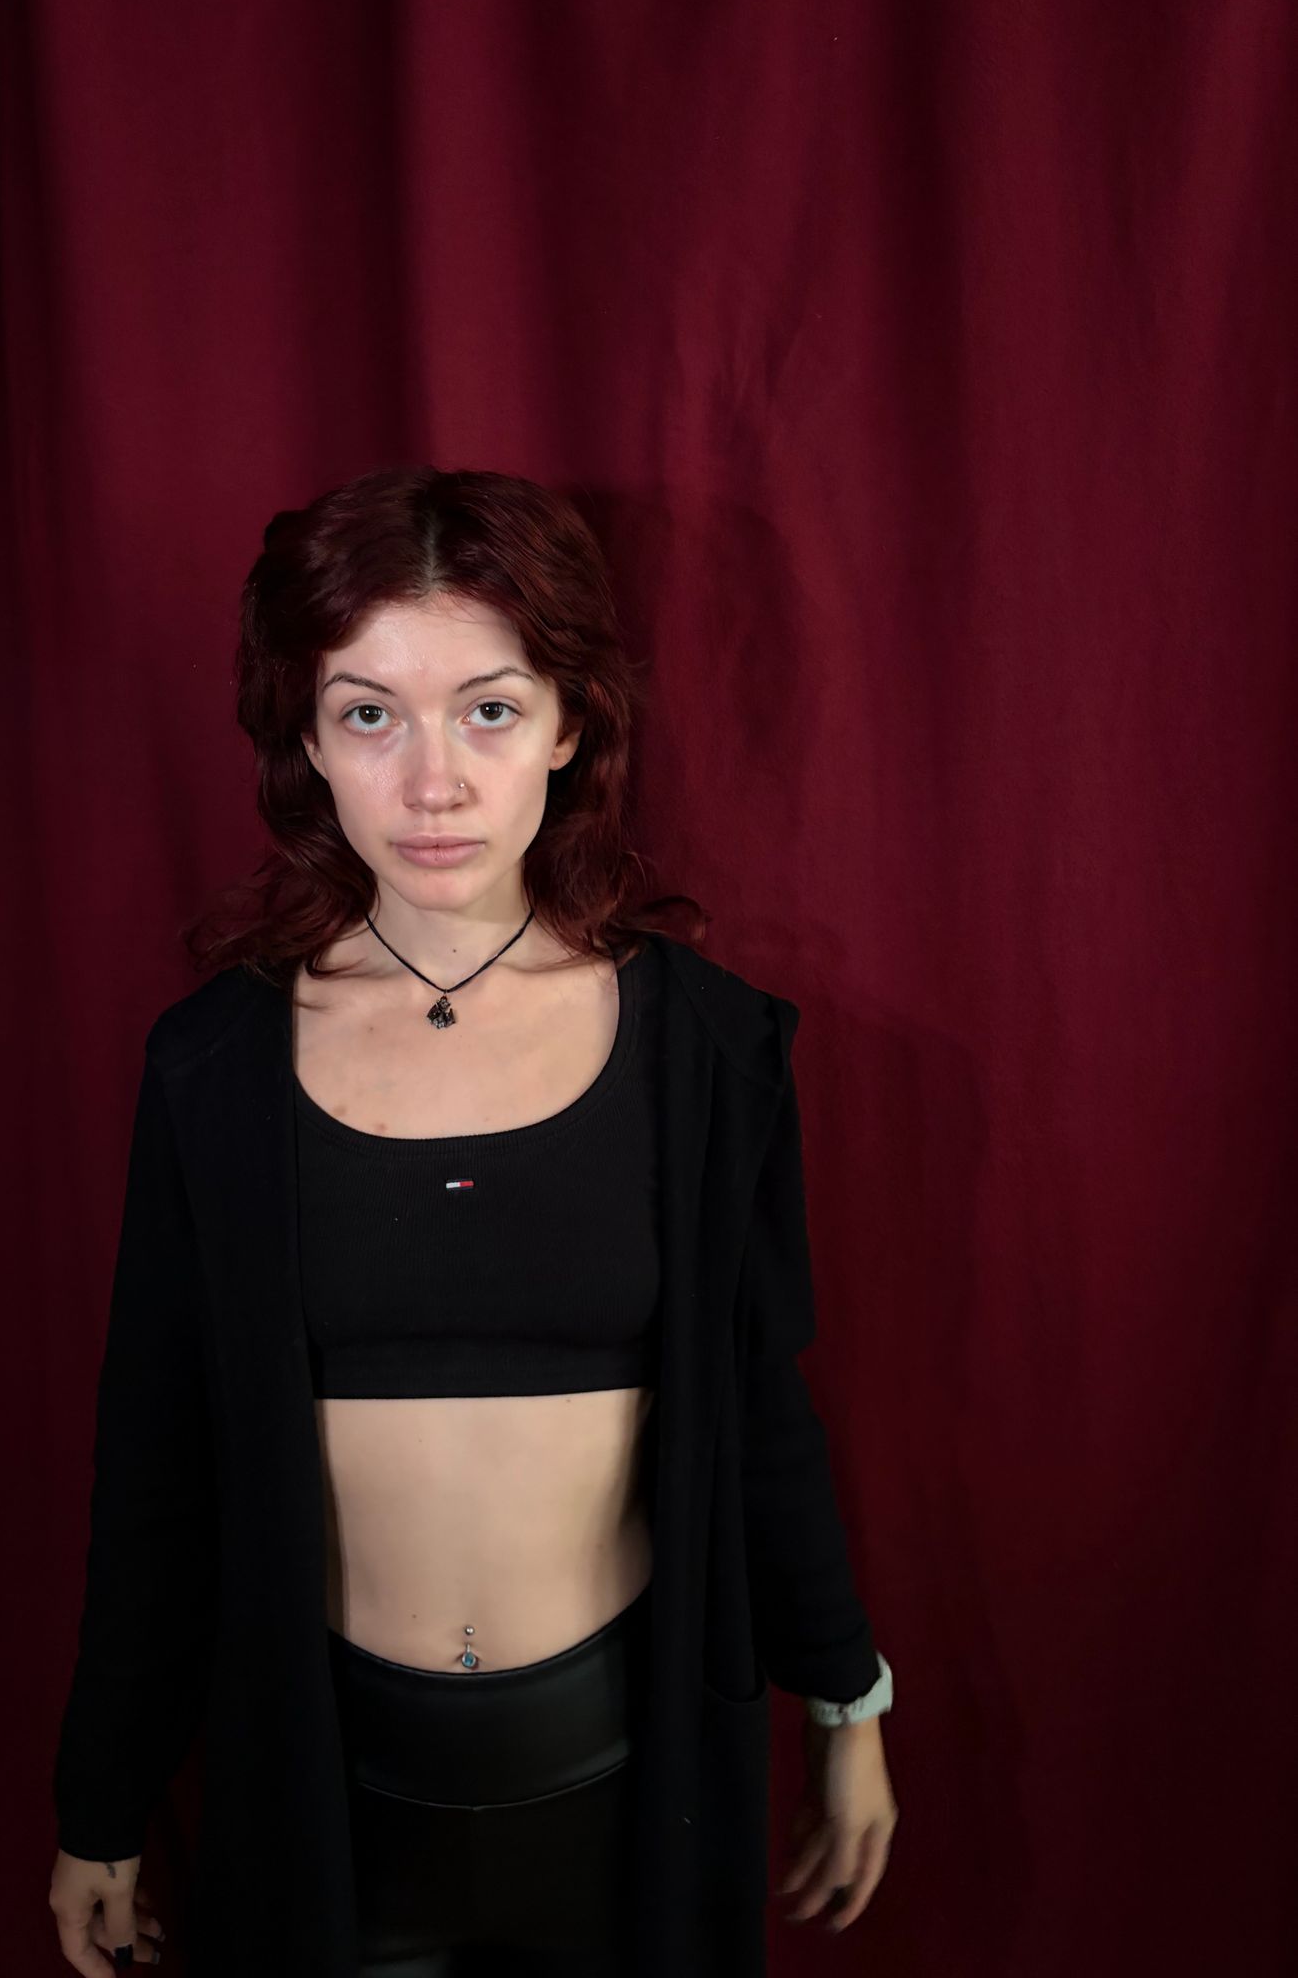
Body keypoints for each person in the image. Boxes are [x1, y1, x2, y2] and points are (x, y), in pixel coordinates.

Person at [48, 466, 898, 1976]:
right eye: (370, 714)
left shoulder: (709, 1053)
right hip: (325, 1795)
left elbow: (762, 1408)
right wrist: (102, 1798)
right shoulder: (214, 1069)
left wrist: (847, 1702)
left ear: (570, 723)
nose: (431, 781)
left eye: (488, 711)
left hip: (626, 1783)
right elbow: (157, 1464)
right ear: (308, 739)